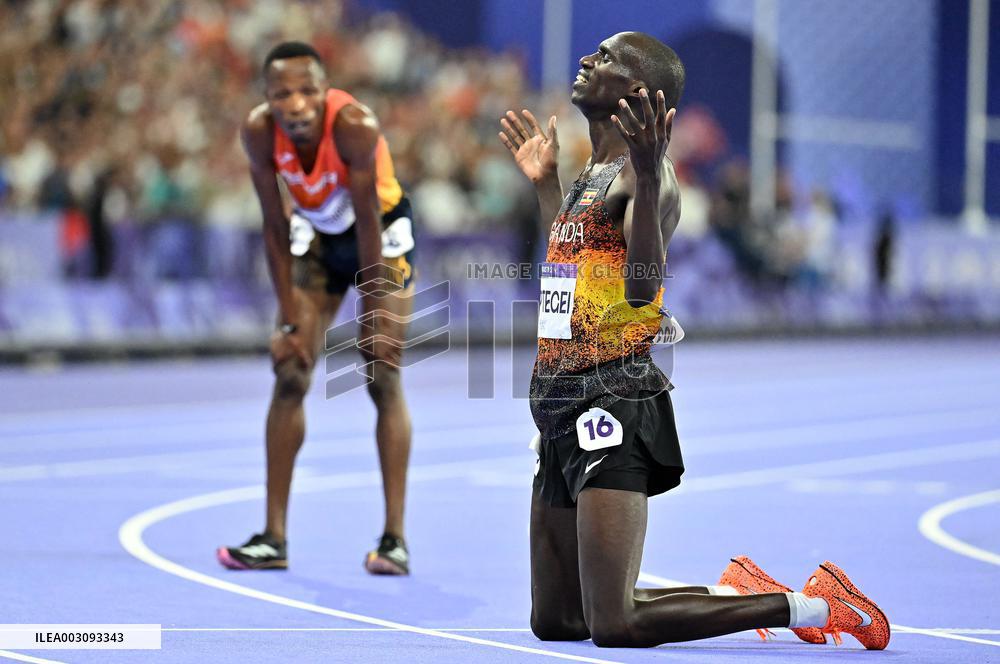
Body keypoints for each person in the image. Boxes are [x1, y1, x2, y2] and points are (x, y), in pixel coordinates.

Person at [499, 32, 889, 649]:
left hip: (612, 402)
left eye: (604, 57)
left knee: (616, 625)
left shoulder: (646, 180)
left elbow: (638, 289)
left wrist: (652, 176)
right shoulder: (590, 174)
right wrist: (547, 184)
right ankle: (738, 588)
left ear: (635, 92)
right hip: (556, 406)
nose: (585, 60)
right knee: (557, 621)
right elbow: (570, 270)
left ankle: (811, 607)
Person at [217, 41, 414, 575]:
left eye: (307, 91)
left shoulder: (354, 125)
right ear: (267, 99)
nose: (296, 104)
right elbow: (274, 225)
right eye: (283, 93)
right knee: (290, 371)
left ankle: (394, 538)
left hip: (379, 235)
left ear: (325, 93)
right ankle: (273, 537)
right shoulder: (259, 133)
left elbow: (369, 221)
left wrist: (373, 308)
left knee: (382, 372)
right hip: (320, 237)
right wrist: (287, 317)